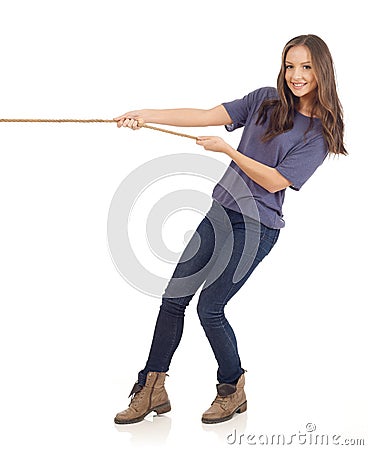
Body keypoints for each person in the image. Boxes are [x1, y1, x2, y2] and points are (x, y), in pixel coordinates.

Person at [113, 34, 347, 425]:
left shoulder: (319, 133)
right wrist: (144, 113)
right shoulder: (263, 100)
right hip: (219, 210)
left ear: (321, 70)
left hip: (258, 225)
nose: (296, 75)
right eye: (290, 65)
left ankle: (232, 387)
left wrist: (230, 152)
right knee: (173, 299)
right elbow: (205, 114)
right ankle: (152, 389)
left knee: (210, 307)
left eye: (306, 67)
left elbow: (275, 182)